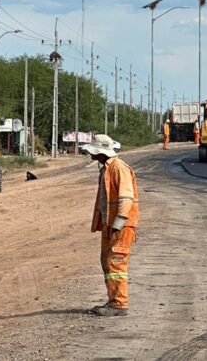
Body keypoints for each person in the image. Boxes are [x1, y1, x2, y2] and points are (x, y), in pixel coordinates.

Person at [80, 134, 139, 317]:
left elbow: (126, 197)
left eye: (93, 151)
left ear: (101, 152)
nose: (91, 154)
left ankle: (119, 304)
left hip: (120, 225)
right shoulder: (107, 168)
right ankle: (113, 300)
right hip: (110, 224)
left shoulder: (119, 168)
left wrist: (118, 223)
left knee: (116, 263)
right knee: (107, 262)